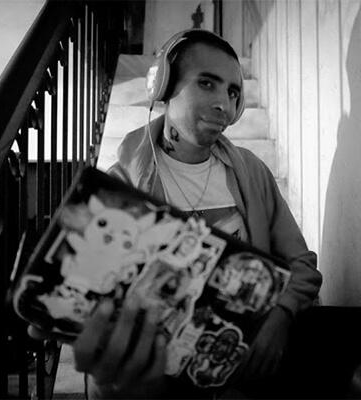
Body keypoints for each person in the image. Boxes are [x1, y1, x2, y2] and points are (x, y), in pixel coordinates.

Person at [30, 29, 323, 398]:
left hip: (246, 373)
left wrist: (281, 314)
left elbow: (301, 263)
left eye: (233, 92)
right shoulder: (120, 190)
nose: (224, 104)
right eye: (207, 83)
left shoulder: (251, 172)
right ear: (163, 87)